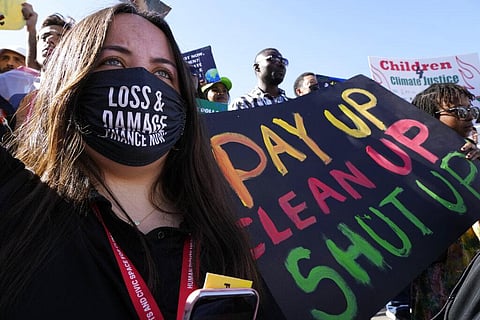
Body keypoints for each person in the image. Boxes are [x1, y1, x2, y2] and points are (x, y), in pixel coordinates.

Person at [0, 4, 284, 319]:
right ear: (70, 77)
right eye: (113, 61)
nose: (141, 83)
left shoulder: (224, 243)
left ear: (184, 104)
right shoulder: (15, 205)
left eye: (163, 72)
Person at [402, 83, 480, 320]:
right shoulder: (408, 163)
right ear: (428, 117)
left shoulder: (472, 158)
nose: (469, 118)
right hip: (436, 276)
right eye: (459, 111)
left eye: (472, 111)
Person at [21, 2, 75, 71]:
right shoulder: (8, 79)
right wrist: (31, 28)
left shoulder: (86, 80)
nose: (50, 39)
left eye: (60, 38)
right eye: (44, 37)